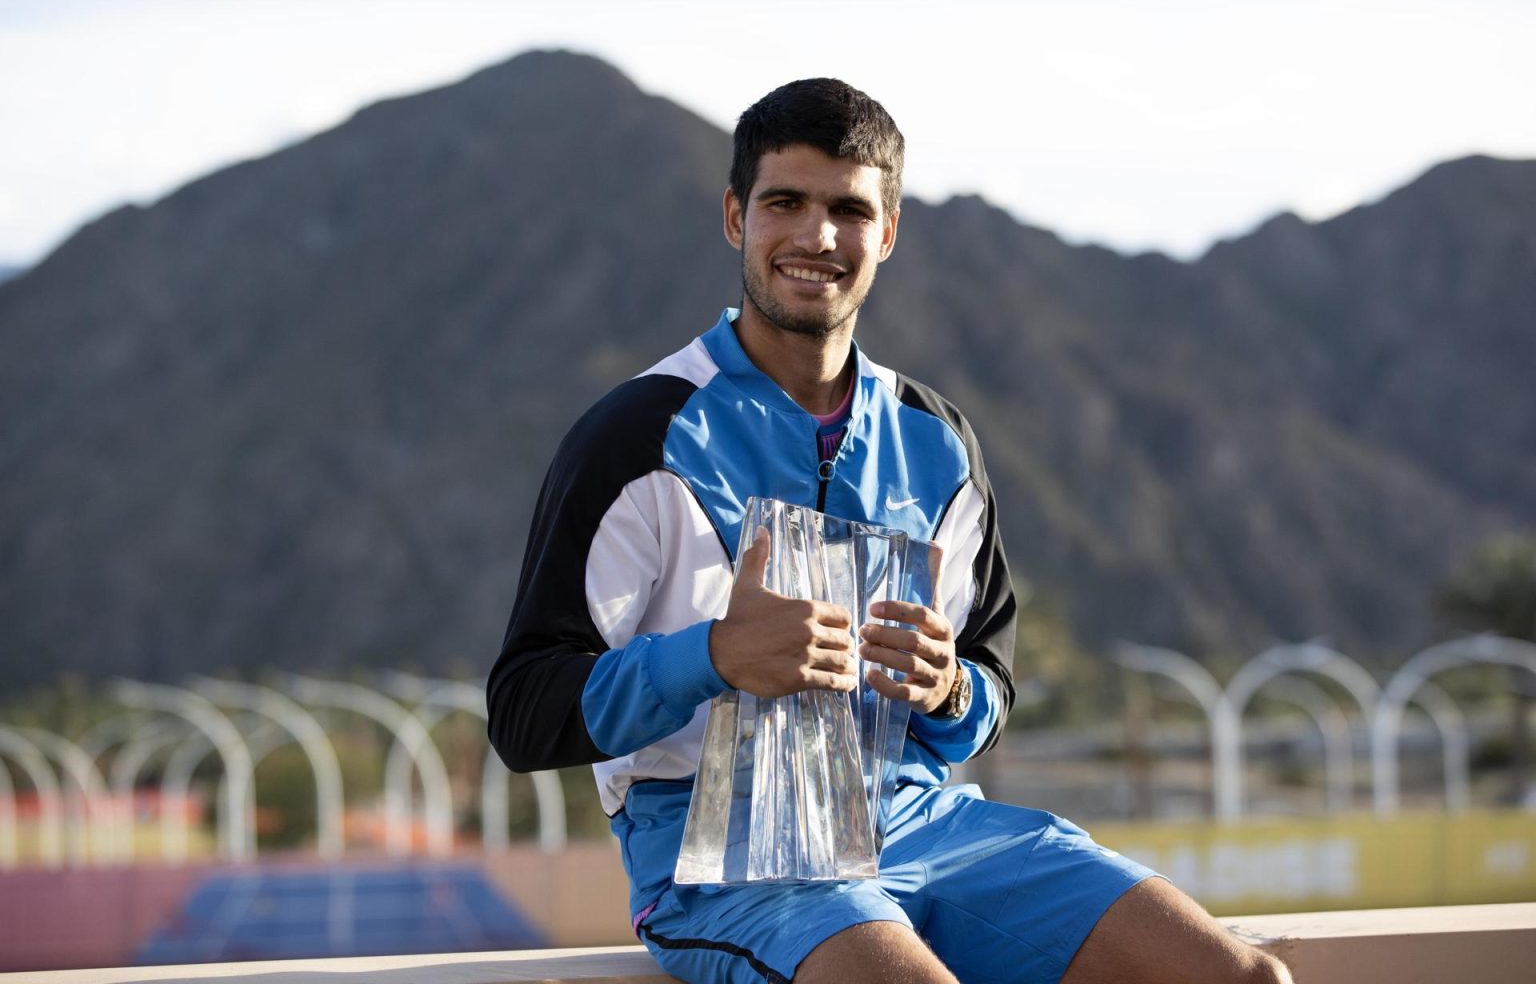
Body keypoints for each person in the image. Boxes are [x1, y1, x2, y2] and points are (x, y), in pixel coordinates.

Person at [488, 79, 1291, 984]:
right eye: (784, 202)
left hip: (920, 823)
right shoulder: (639, 435)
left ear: (889, 232)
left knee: (1245, 977)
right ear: (733, 217)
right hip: (723, 857)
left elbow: (986, 685)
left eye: (849, 209)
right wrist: (713, 655)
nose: (817, 236)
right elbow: (524, 712)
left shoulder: (937, 443)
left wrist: (946, 689)